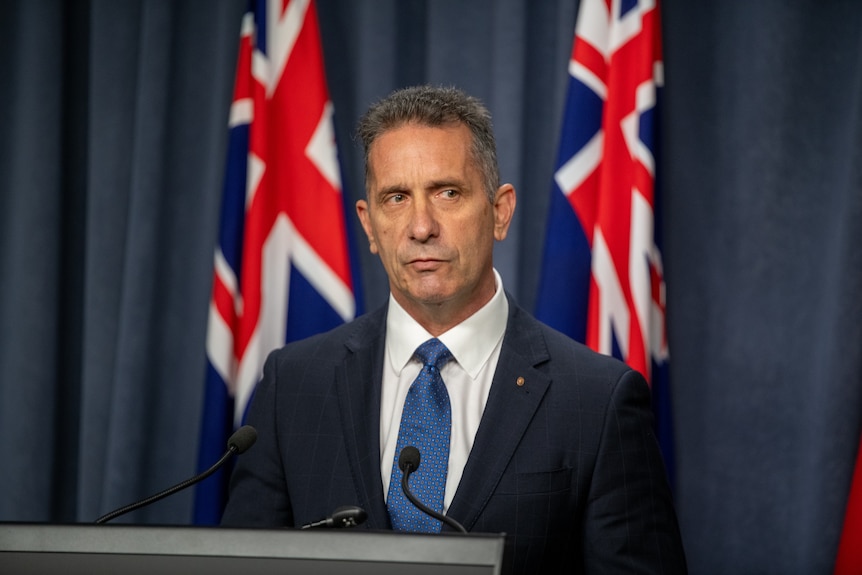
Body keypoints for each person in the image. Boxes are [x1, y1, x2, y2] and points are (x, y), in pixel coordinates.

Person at [221, 85, 687, 574]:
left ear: (500, 211)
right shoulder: (293, 385)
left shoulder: (597, 401)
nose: (421, 226)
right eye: (396, 198)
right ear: (369, 225)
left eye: (448, 193)